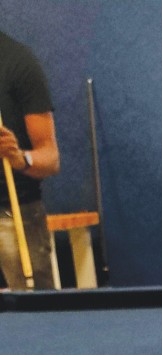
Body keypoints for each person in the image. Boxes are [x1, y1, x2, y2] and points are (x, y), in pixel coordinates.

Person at [0, 29, 60, 290]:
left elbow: (51, 157)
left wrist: (20, 158)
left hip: (15, 217)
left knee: (36, 323)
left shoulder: (18, 62)